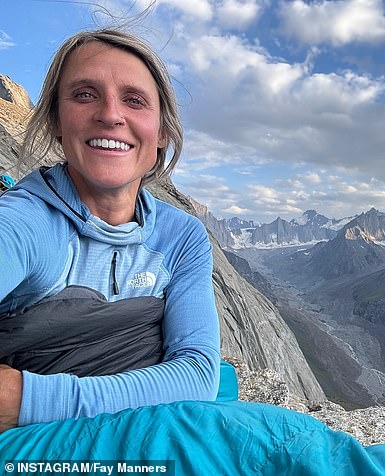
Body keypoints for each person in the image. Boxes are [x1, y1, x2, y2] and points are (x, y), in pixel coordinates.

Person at [0, 28, 221, 433]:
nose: (110, 114)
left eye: (134, 101)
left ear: (162, 134)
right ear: (55, 121)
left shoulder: (182, 236)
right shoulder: (25, 222)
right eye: (85, 94)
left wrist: (22, 398)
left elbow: (199, 375)